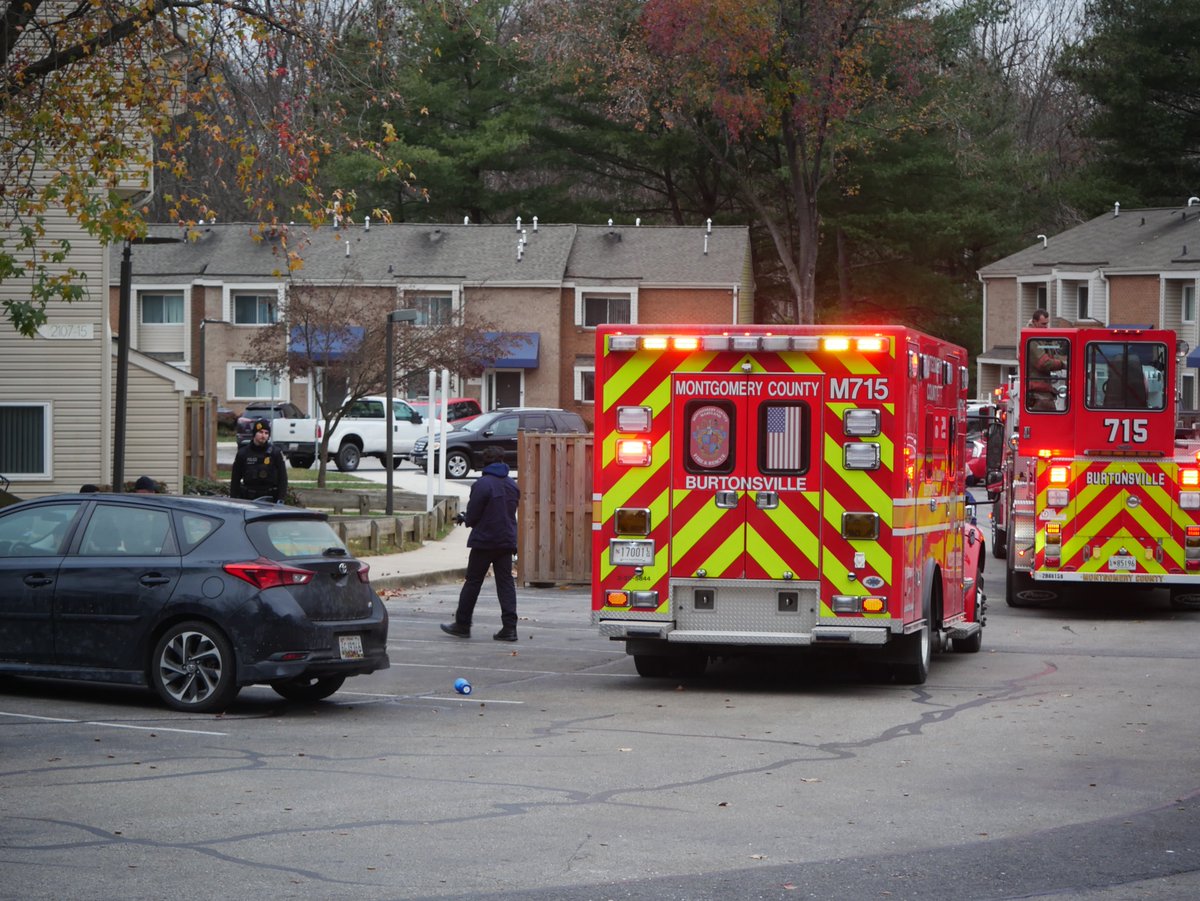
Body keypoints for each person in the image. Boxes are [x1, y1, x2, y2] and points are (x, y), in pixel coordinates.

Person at [440, 445, 520, 642]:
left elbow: (474, 516)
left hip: (484, 541)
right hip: (506, 540)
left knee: (473, 582)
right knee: (505, 583)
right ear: (502, 461)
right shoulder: (512, 485)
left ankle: (462, 624)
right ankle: (509, 628)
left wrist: (465, 518)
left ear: (485, 462)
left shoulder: (482, 484)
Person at [231, 418, 289, 502]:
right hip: (248, 499)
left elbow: (283, 478)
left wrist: (281, 499)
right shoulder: (243, 453)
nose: (263, 435)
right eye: (260, 432)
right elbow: (235, 480)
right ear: (254, 434)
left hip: (270, 500)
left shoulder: (275, 453)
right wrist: (233, 499)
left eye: (266, 433)